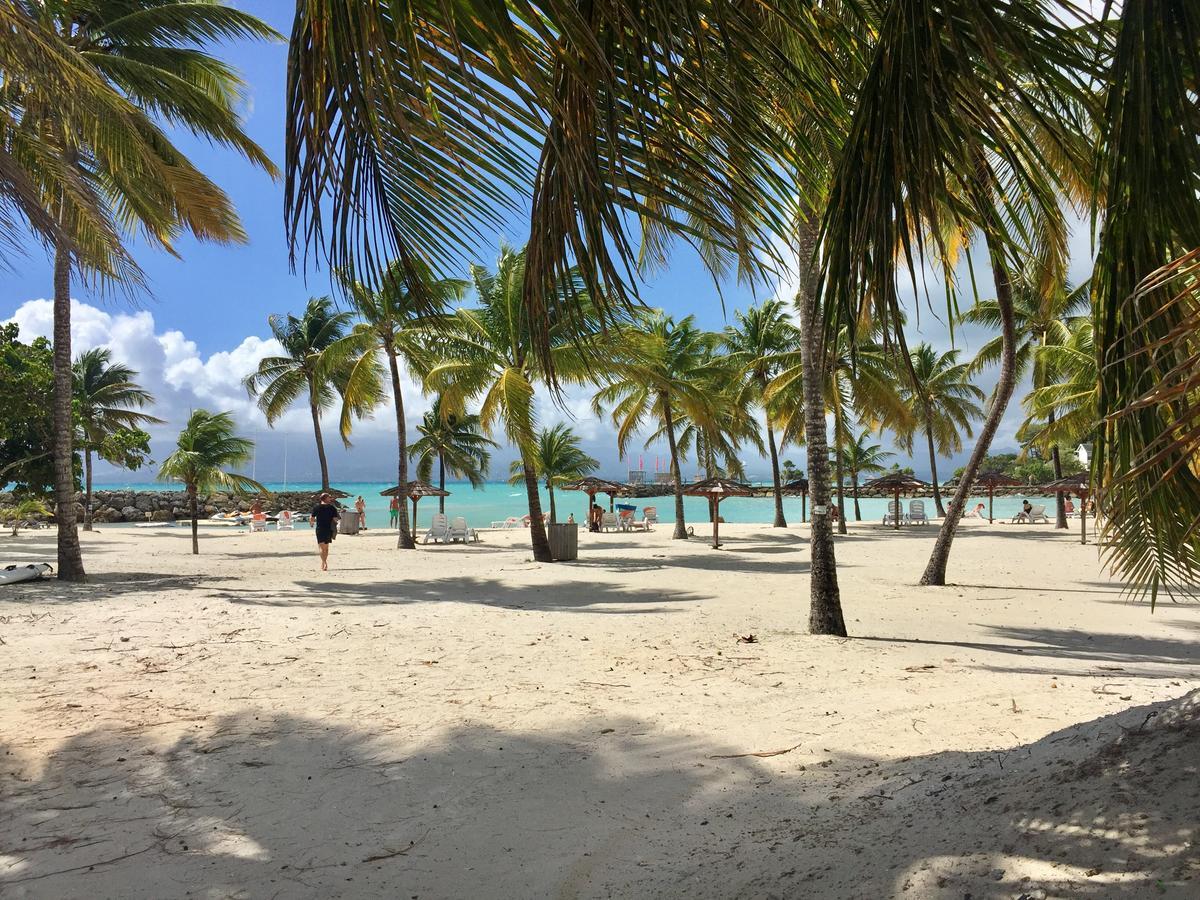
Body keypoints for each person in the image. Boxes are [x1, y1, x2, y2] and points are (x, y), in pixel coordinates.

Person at [311, 493, 340, 571]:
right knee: (326, 548)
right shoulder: (332, 508)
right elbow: (335, 519)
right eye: (329, 497)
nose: (330, 499)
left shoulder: (317, 507)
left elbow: (312, 517)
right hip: (328, 529)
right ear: (326, 498)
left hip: (320, 529)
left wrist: (311, 524)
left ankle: (324, 562)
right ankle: (324, 563)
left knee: (321, 547)